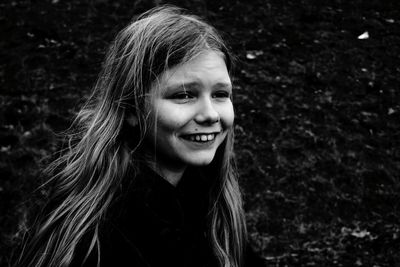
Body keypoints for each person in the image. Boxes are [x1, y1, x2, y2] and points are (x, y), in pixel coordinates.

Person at [16, 5, 265, 267]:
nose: (211, 114)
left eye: (220, 94)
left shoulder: (209, 200)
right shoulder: (106, 238)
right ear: (131, 109)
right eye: (183, 95)